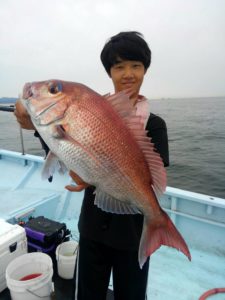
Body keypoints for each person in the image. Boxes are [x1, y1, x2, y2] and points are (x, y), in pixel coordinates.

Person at [14, 31, 169, 300]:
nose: (128, 73)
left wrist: (91, 175)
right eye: (119, 67)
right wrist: (36, 128)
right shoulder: (91, 110)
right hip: (94, 229)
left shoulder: (155, 125)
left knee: (131, 295)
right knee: (88, 294)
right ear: (110, 72)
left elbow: (150, 177)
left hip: (133, 235)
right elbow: (68, 151)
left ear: (145, 70)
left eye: (136, 65)